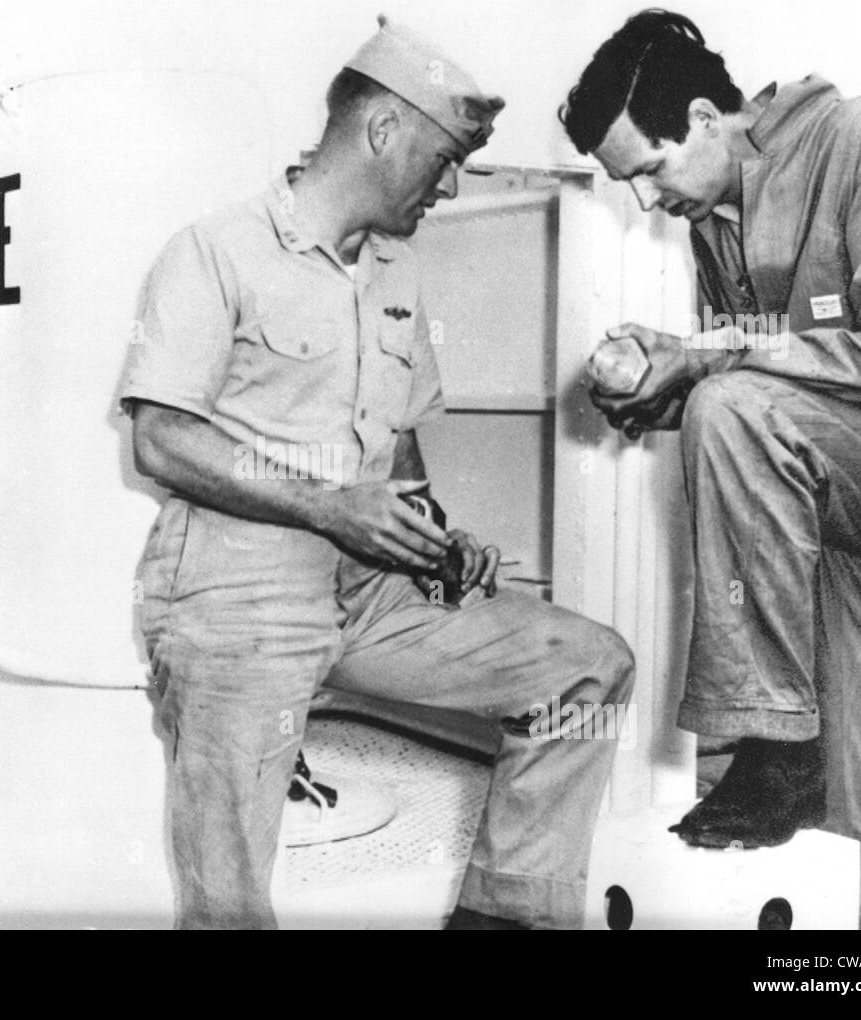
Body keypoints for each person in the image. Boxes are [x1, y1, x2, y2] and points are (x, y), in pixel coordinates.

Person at [121, 15, 635, 930]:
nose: (448, 187)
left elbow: (398, 453)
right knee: (229, 895)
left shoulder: (396, 273)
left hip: (373, 595)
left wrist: (438, 538)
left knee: (586, 668)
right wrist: (334, 508)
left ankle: (502, 916)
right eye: (443, 161)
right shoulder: (216, 249)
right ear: (383, 130)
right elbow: (160, 438)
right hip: (236, 597)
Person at [560, 8, 861, 929]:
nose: (647, 201)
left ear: (699, 118)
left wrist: (713, 357)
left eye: (647, 171)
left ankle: (770, 738)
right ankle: (858, 958)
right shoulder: (714, 221)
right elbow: (770, 389)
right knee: (854, 767)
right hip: (837, 472)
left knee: (729, 403)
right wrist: (662, 386)